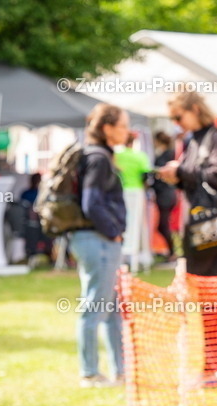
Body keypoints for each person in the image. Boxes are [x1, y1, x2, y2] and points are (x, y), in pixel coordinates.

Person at [158, 91, 217, 379]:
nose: (177, 123)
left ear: (195, 109)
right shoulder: (192, 141)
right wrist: (178, 176)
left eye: (179, 116)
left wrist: (182, 171)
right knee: (209, 304)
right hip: (200, 235)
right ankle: (216, 366)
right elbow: (195, 179)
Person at [68, 105, 128, 387]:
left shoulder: (96, 155)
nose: (127, 131)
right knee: (95, 307)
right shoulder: (98, 158)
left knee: (110, 308)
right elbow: (91, 203)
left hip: (93, 240)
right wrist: (114, 232)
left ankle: (120, 370)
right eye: (122, 126)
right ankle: (90, 373)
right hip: (98, 240)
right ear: (107, 128)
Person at [113, 131, 152, 271]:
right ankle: (136, 259)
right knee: (136, 226)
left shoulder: (116, 156)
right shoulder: (140, 156)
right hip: (136, 192)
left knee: (122, 223)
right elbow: (146, 175)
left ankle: (123, 257)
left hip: (120, 192)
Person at [149, 130, 179, 259]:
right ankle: (171, 251)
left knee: (163, 224)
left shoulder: (166, 155)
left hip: (165, 194)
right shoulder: (165, 154)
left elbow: (163, 173)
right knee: (163, 224)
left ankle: (172, 252)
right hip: (165, 193)